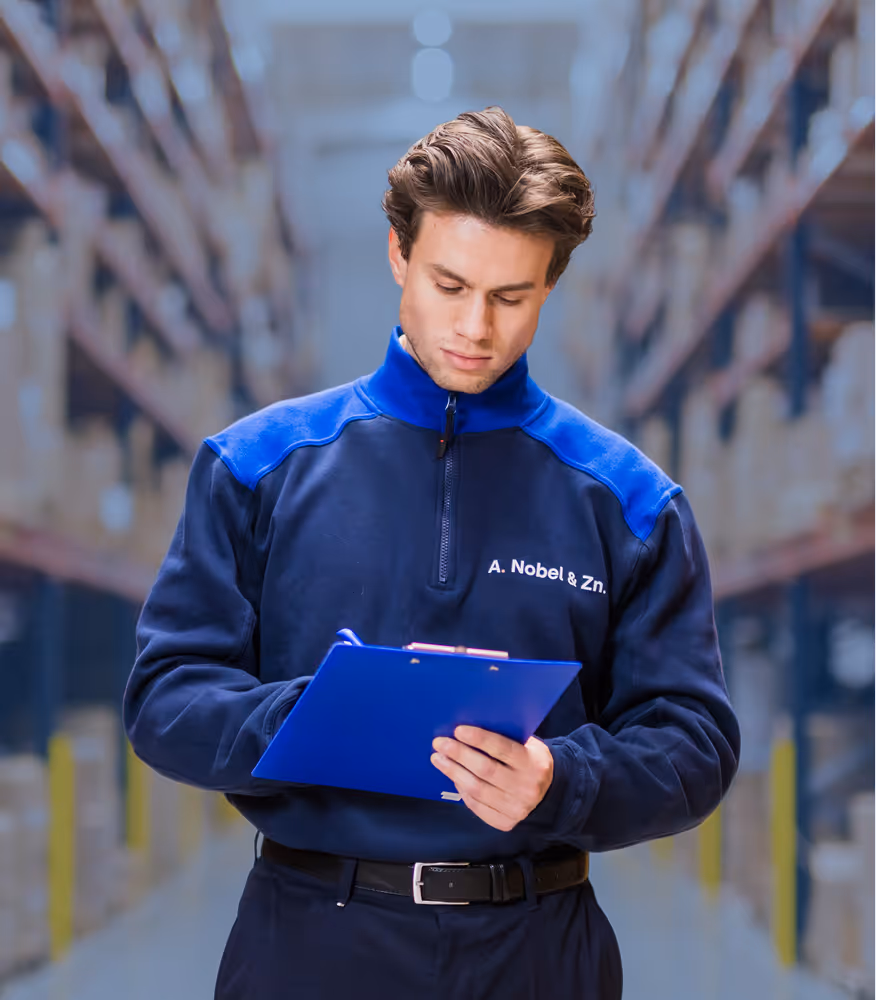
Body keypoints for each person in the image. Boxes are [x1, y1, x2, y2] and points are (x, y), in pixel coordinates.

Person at [123, 106, 740, 1000]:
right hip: (311, 941)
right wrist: (324, 717)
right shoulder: (259, 467)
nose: (476, 329)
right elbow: (164, 698)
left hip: (536, 950)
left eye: (511, 297)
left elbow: (695, 746)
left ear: (551, 285)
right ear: (397, 256)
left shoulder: (630, 500)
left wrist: (558, 779)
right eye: (450, 285)